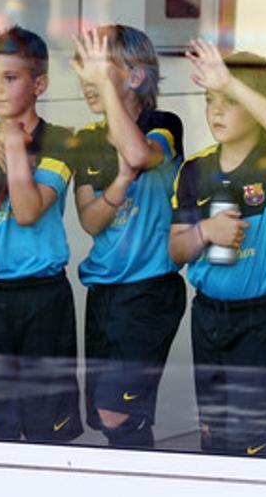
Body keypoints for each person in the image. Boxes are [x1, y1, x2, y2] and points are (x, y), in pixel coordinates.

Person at [0, 26, 83, 442]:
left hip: (43, 297)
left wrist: (13, 149)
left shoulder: (61, 141)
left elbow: (26, 211)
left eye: (10, 78)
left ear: (38, 84)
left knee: (49, 421)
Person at [169, 41, 266, 457]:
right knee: (214, 434)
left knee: (257, 440)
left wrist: (230, 80)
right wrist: (205, 232)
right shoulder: (194, 170)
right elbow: (177, 251)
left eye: (230, 101)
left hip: (263, 318)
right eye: (210, 100)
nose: (216, 111)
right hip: (209, 316)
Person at [69, 26, 186, 448]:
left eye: (101, 68)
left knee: (116, 411)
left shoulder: (163, 126)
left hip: (149, 291)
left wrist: (107, 88)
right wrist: (117, 188)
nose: (89, 81)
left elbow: (138, 154)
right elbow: (91, 221)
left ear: (135, 77)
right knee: (109, 417)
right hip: (104, 292)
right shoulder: (85, 141)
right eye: (86, 70)